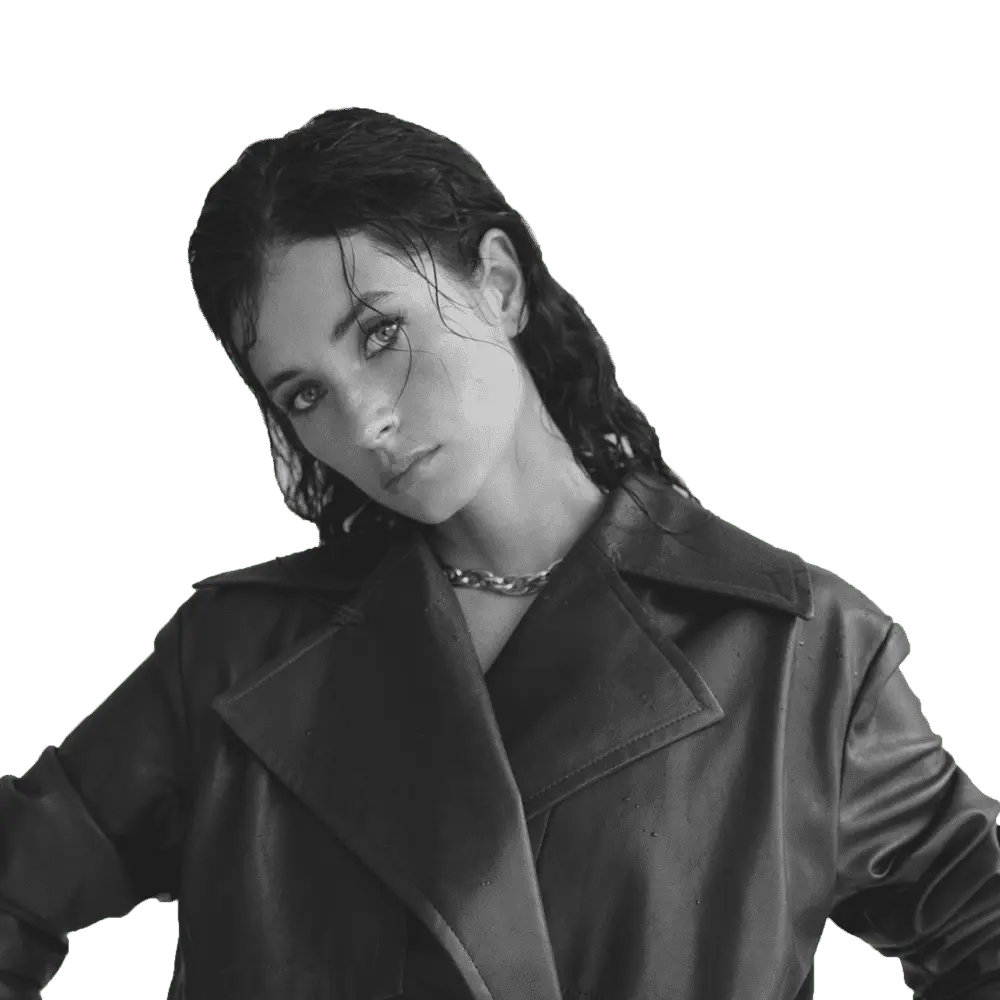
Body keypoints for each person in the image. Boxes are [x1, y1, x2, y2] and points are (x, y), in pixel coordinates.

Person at [1, 106, 997, 1000]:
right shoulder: (235, 657)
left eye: (379, 334)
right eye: (304, 395)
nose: (365, 421)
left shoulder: (799, 654)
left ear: (500, 283)